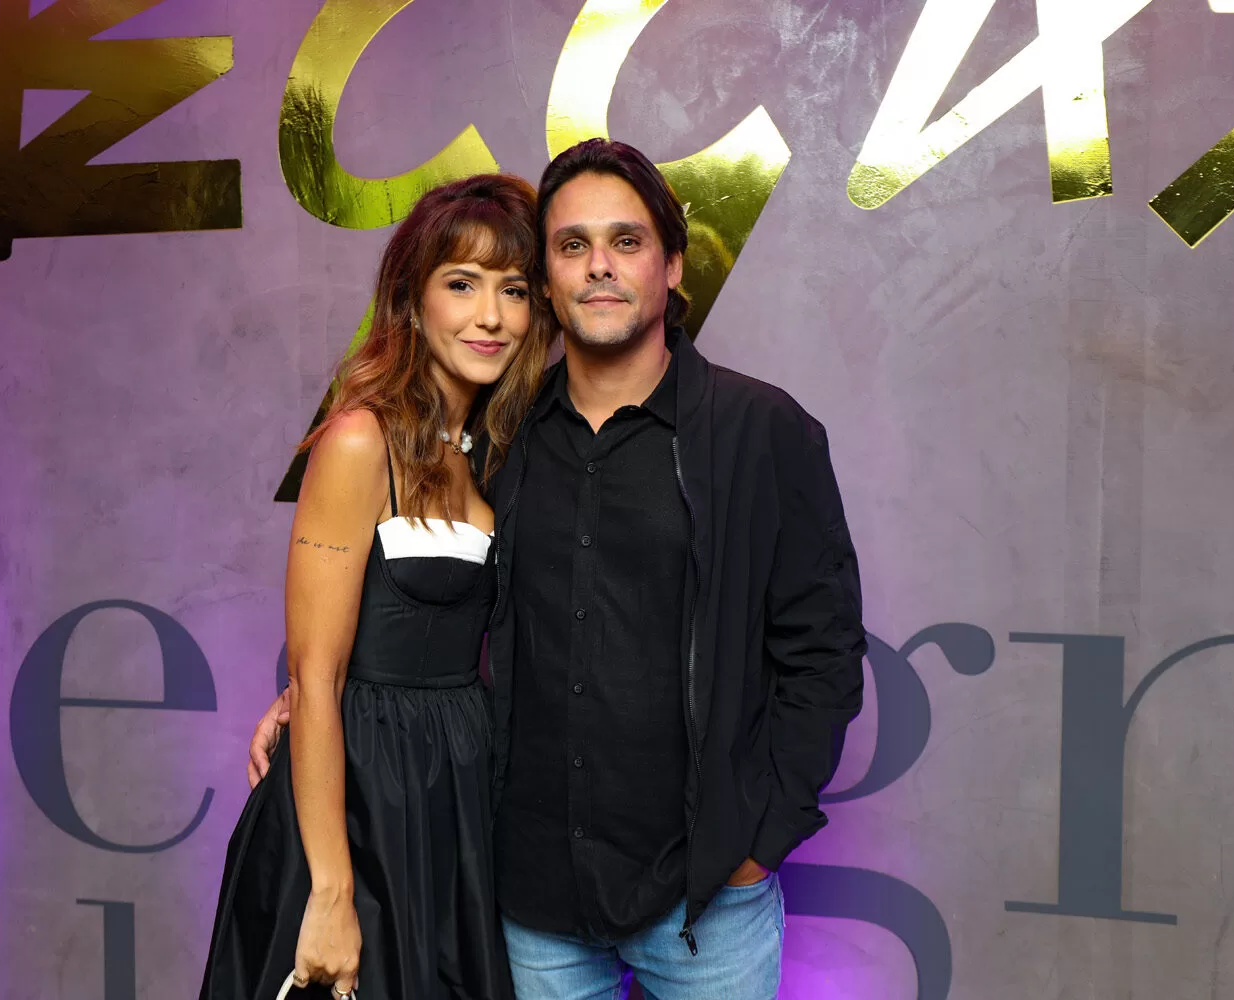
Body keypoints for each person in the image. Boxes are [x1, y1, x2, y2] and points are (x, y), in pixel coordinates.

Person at [251, 139, 866, 999]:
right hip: (530, 903)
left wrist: (758, 842)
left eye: (627, 241)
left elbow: (823, 654)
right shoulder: (500, 440)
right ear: (549, 280)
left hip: (707, 905)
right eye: (573, 245)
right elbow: (412, 595)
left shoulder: (763, 433)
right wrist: (314, 693)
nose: (600, 266)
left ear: (672, 266)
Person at [198, 173, 552, 1000]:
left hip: (456, 798)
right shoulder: (360, 440)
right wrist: (331, 894)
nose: (490, 316)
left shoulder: (499, 451)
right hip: (359, 804)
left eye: (513, 290)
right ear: (412, 299)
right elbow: (318, 677)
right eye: (461, 284)